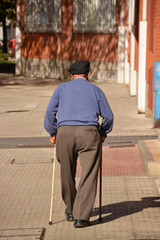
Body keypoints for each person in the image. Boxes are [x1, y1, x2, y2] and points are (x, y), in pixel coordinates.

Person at [44, 60, 113, 228]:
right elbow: (108, 117)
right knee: (89, 174)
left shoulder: (61, 89)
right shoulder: (96, 90)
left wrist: (53, 132)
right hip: (89, 133)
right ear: (88, 74)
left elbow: (49, 114)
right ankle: (81, 217)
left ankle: (70, 208)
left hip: (65, 133)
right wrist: (102, 132)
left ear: (71, 75)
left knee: (66, 172)